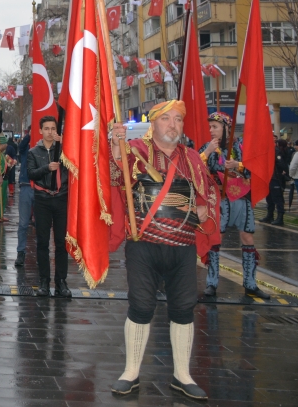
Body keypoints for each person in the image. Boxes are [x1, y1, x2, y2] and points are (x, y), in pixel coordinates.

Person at [108, 100, 219, 400]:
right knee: (141, 306)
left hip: (182, 247)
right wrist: (116, 152)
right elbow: (116, 182)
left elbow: (207, 191)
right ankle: (130, 372)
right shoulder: (136, 151)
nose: (173, 125)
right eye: (166, 119)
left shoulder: (194, 159)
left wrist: (204, 206)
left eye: (178, 119)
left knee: (183, 308)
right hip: (143, 244)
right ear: (153, 123)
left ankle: (182, 375)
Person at [199, 112, 269, 300]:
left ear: (226, 128)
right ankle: (212, 283)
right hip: (219, 199)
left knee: (247, 237)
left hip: (241, 198)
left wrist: (238, 165)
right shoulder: (207, 147)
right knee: (216, 239)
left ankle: (250, 283)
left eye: (215, 126)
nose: (211, 130)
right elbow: (195, 167)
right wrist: (207, 153)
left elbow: (254, 167)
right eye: (210, 127)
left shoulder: (241, 145)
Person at [26, 116, 71, 298]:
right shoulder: (33, 152)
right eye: (47, 128)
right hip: (42, 198)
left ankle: (61, 282)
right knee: (43, 243)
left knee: (61, 243)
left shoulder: (63, 150)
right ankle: (44, 281)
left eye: (53, 128)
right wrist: (47, 168)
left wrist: (66, 146)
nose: (50, 132)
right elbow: (31, 173)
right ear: (41, 131)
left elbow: (74, 165)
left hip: (61, 198)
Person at [15, 129, 33, 267]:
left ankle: (41, 253)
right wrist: (29, 136)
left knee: (42, 225)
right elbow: (19, 148)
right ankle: (21, 252)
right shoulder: (26, 147)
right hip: (26, 186)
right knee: (23, 224)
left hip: (42, 188)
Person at [264, 139, 289, 226]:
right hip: (269, 177)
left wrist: (281, 171)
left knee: (277, 198)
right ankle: (270, 215)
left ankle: (280, 218)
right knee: (269, 198)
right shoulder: (269, 151)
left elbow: (281, 164)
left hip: (276, 178)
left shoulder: (276, 151)